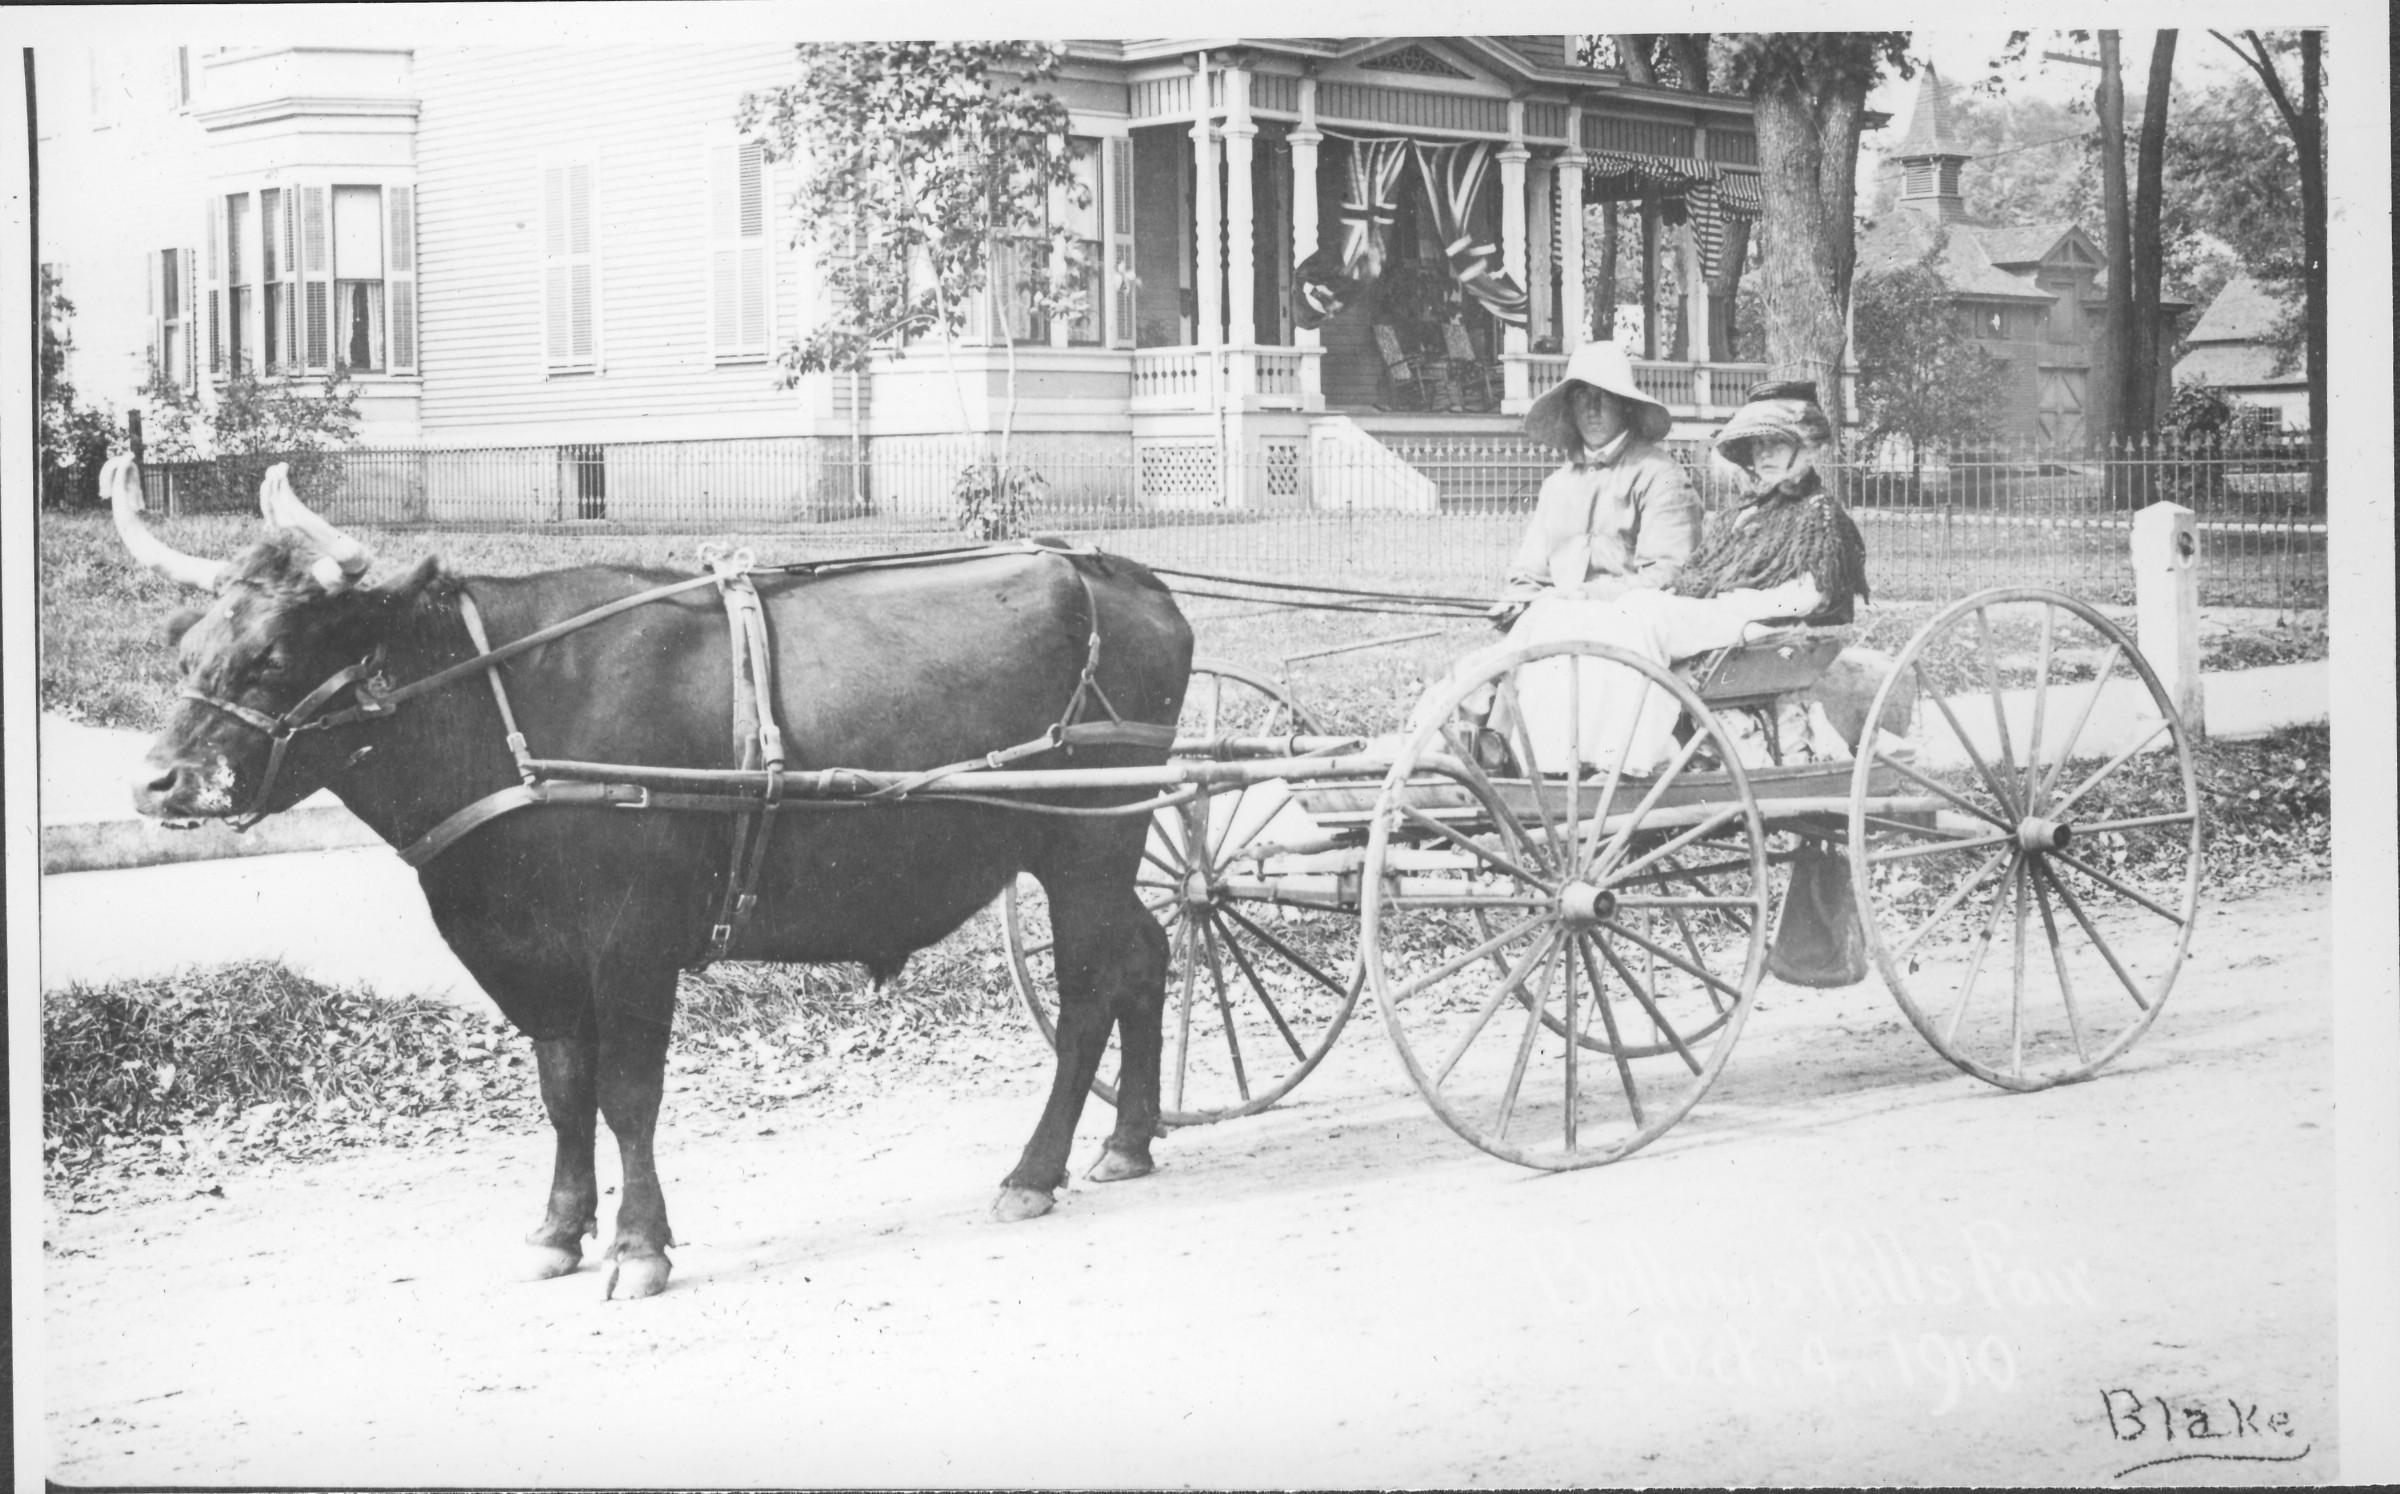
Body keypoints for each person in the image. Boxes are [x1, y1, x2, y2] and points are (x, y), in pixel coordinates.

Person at [1423, 376, 1869, 775]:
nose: (1764, 454)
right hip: (1715, 611)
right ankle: (1548, 749)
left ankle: (1628, 752)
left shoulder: (1817, 514)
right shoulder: (1748, 512)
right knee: (1590, 613)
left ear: (1806, 449)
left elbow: (1809, 596)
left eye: (1776, 443)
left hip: (1757, 622)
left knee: (1643, 617)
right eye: (1758, 445)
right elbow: (1698, 572)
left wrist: (1728, 603)